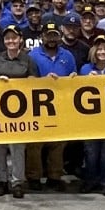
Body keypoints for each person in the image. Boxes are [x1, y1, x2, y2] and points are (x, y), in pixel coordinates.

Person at [27, 23, 76, 191]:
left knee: (58, 143)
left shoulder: (68, 56)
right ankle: (34, 177)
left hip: (61, 105)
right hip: (37, 105)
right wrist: (43, 80)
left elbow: (74, 77)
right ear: (42, 37)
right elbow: (28, 80)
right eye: (48, 35)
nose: (51, 39)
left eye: (54, 35)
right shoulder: (33, 55)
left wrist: (73, 78)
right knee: (35, 144)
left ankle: (54, 176)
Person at [0, 25, 37, 198]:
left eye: (14, 38)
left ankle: (17, 181)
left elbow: (33, 80)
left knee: (17, 147)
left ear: (20, 39)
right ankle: (1, 181)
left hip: (20, 112)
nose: (11, 41)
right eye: (8, 38)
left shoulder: (28, 60)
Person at [78, 35, 105, 197]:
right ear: (94, 51)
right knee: (90, 152)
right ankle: (91, 180)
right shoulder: (85, 69)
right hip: (90, 120)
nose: (102, 52)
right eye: (100, 49)